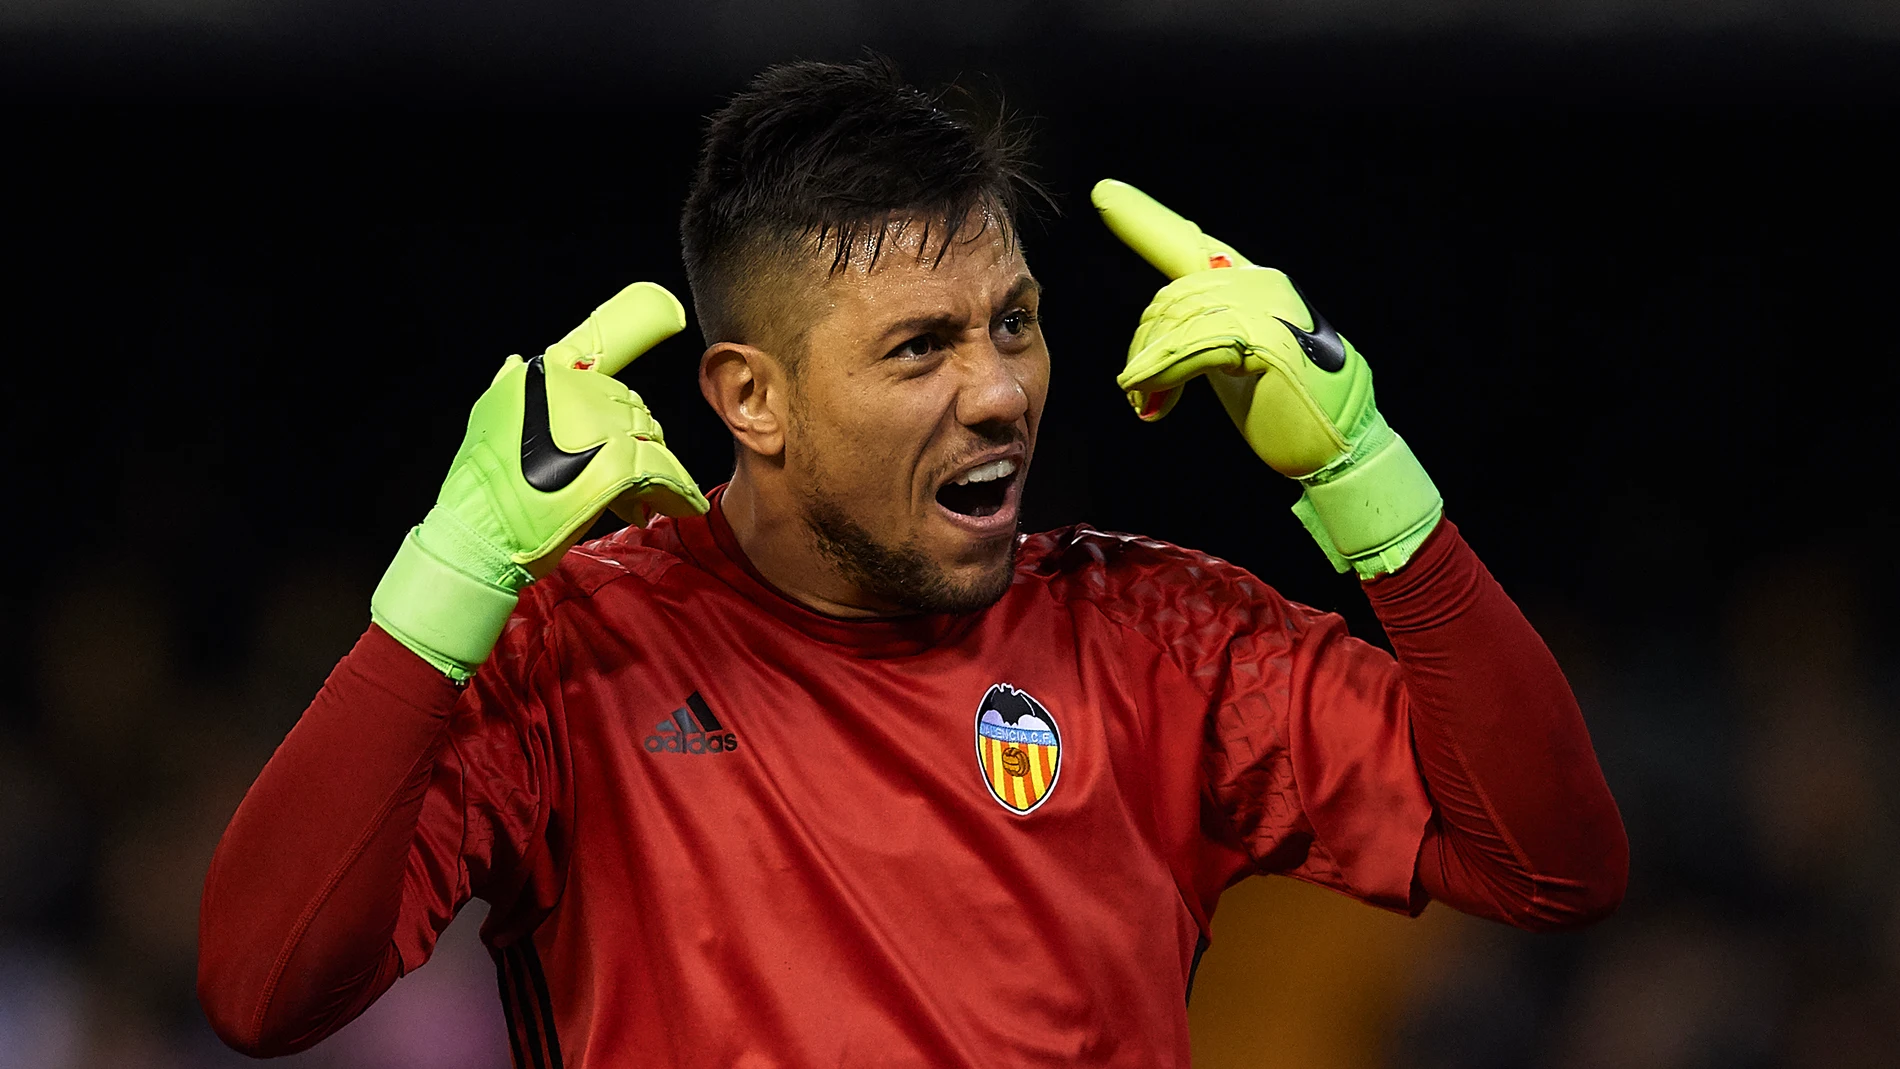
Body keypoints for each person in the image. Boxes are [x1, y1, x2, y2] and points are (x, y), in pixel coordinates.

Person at [198, 56, 1627, 1067]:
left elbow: (1554, 867)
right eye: (920, 347)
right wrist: (446, 578)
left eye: (1013, 321)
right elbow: (263, 991)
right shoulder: (579, 657)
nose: (1001, 389)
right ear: (751, 398)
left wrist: (1365, 477)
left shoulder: (1154, 637)